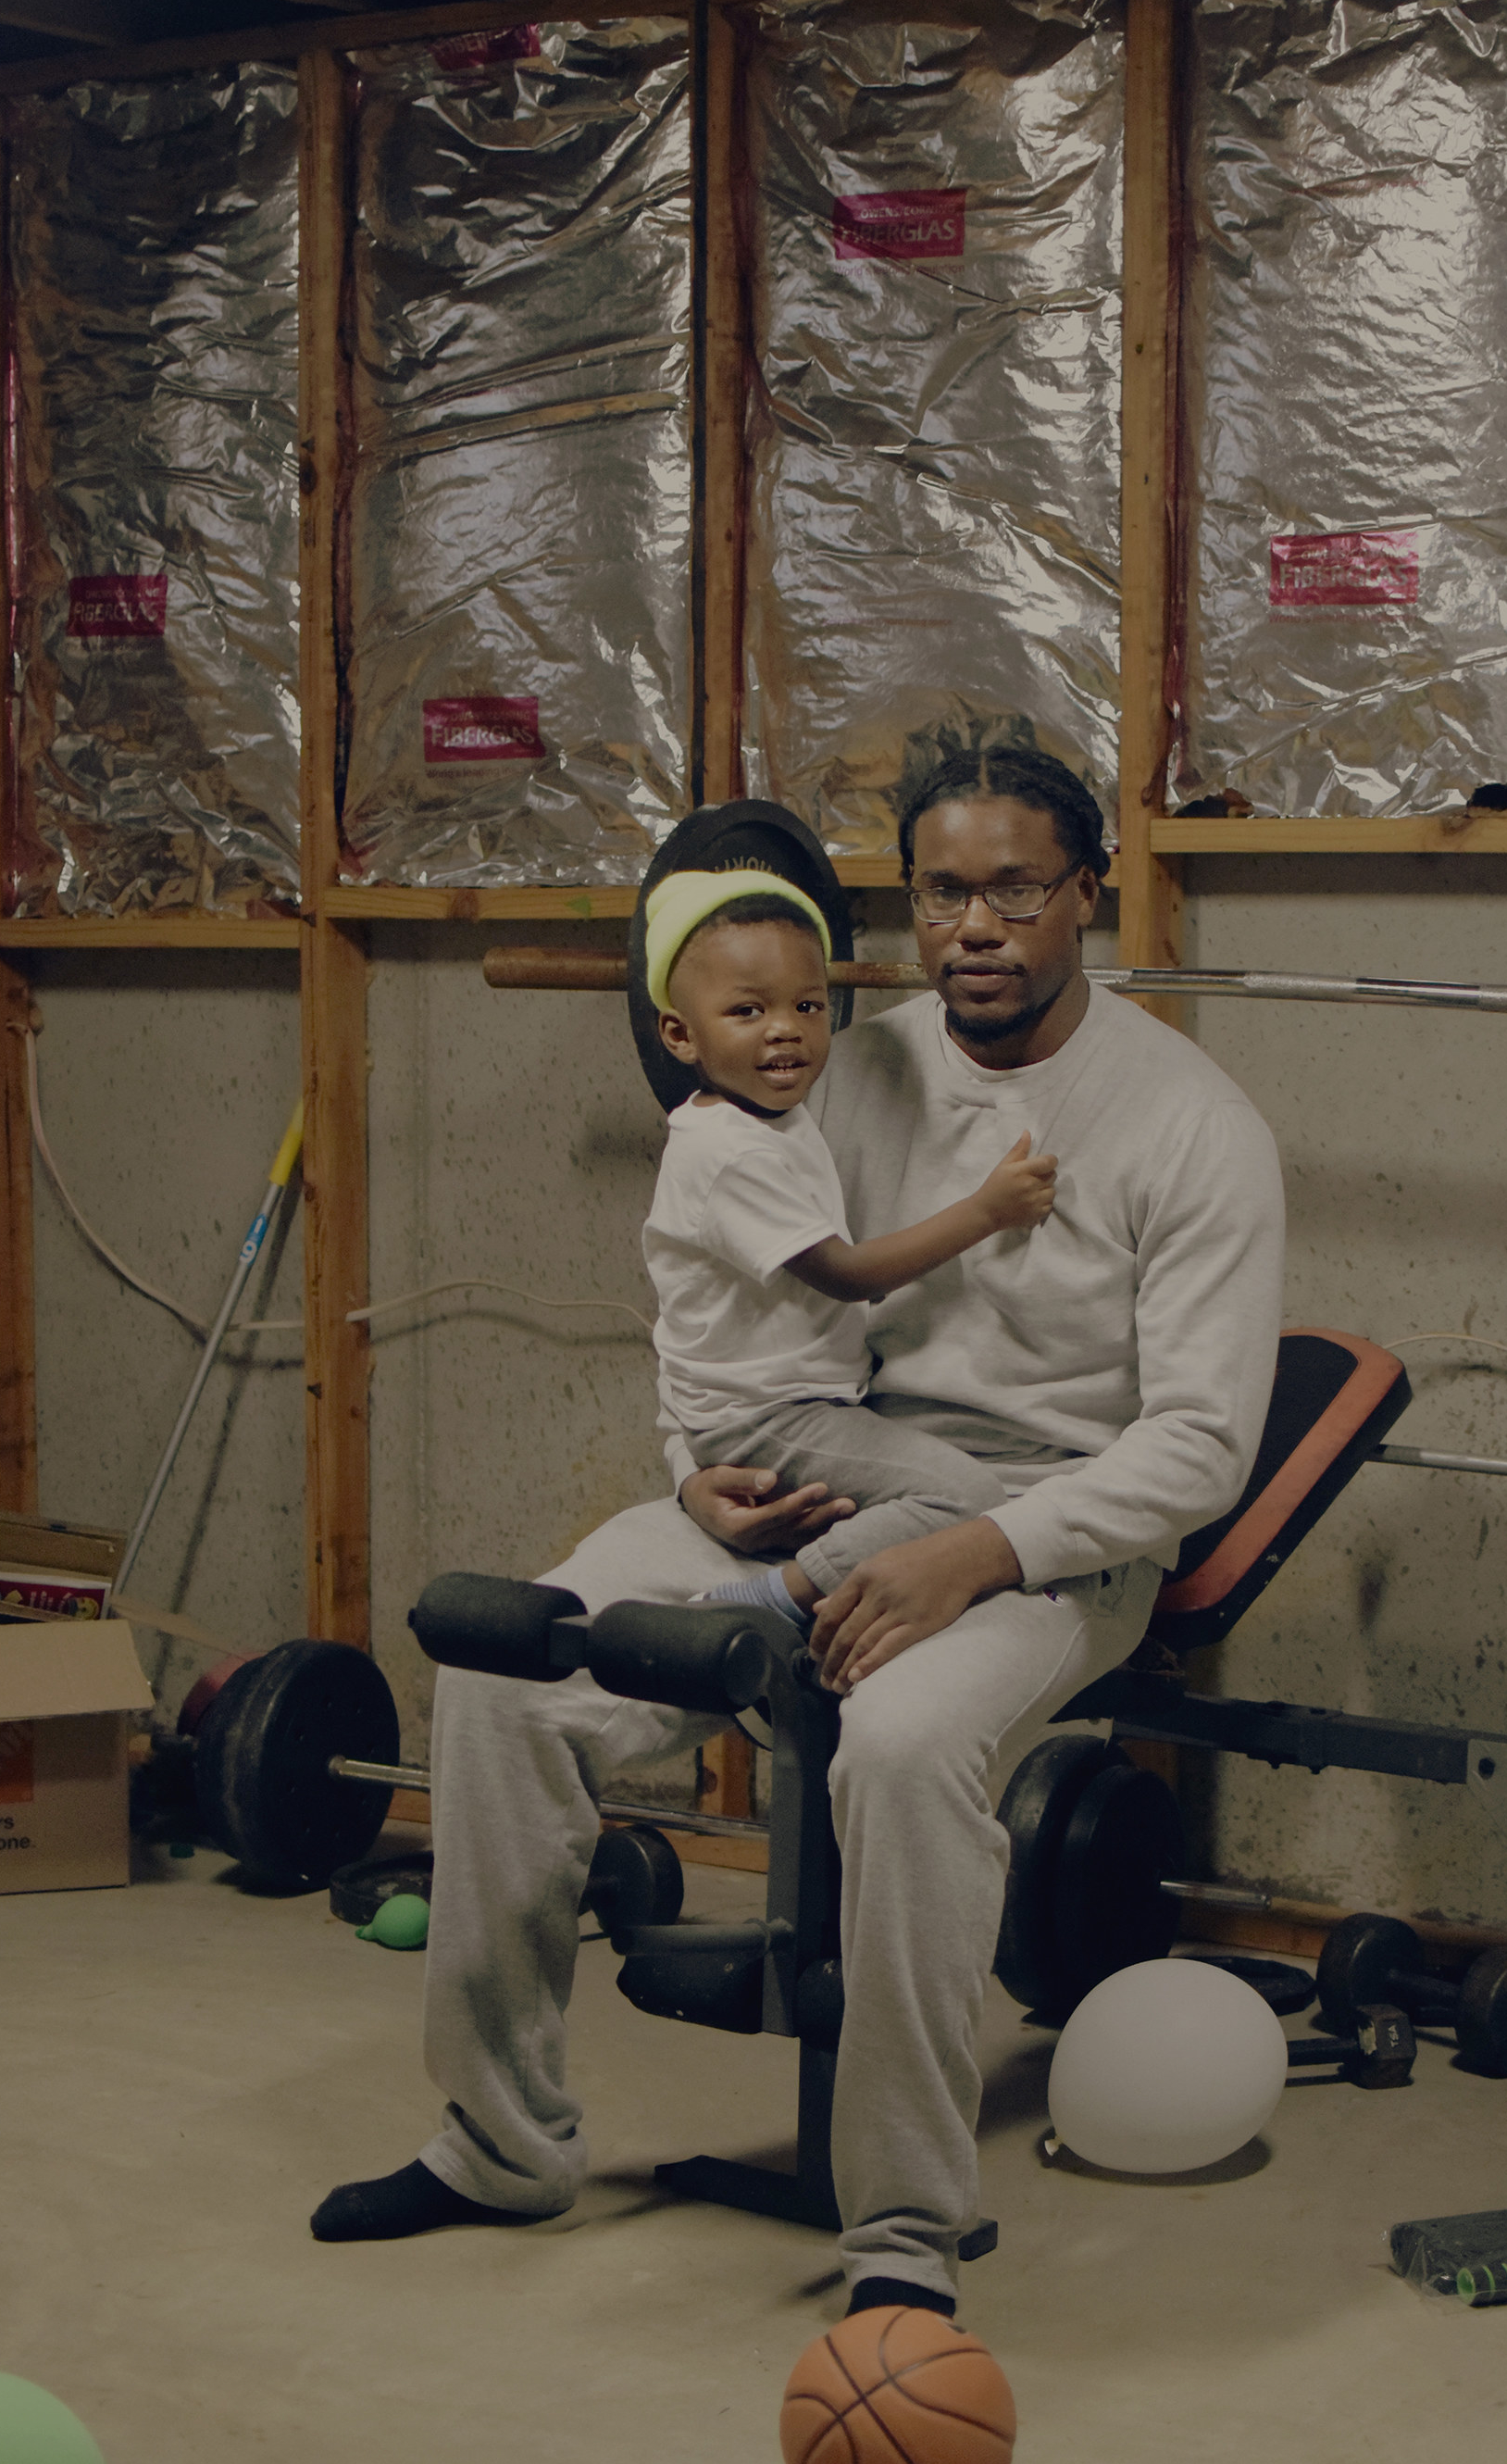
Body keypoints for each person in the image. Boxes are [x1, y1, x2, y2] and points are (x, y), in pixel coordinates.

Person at [311, 746, 1286, 2323]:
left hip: (1046, 1537)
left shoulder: (1192, 1123)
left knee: (897, 1746)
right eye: (943, 891)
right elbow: (715, 1289)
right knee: (507, 1679)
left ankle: (904, 2222)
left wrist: (973, 1554)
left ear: (1087, 892)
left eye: (1016, 887)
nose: (976, 925)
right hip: (813, 1483)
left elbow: (1200, 1449)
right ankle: (500, 2139)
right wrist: (692, 1467)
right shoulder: (839, 1056)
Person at [639, 864, 1057, 1632]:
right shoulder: (730, 1153)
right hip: (767, 1416)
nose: (784, 1028)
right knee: (965, 1500)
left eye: (807, 1004)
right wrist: (986, 1211)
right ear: (679, 1033)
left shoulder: (764, 1118)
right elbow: (848, 1275)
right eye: (746, 1010)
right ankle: (783, 1596)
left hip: (779, 1403)